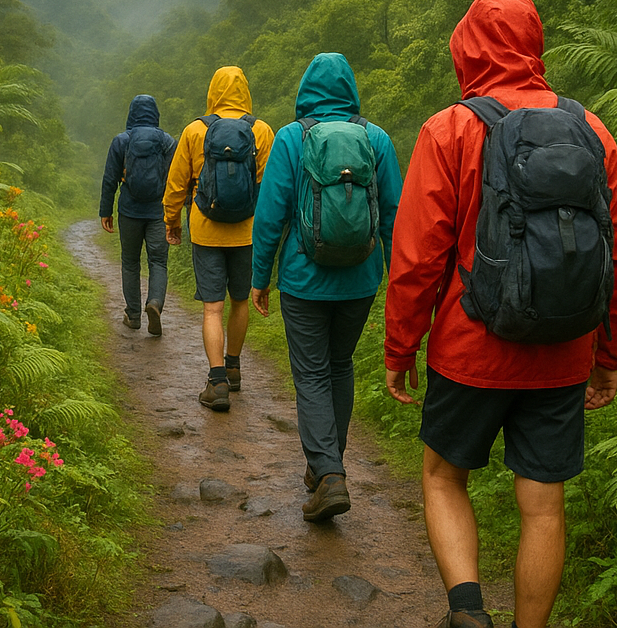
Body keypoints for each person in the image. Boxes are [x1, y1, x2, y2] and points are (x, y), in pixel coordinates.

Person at [384, 0, 617, 628]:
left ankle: (468, 610)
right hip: (562, 353)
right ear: (535, 43)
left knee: (444, 477)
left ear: (466, 46)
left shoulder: (451, 128)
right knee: (544, 505)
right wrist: (609, 354)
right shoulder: (592, 128)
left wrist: (401, 347)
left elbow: (418, 257)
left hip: (470, 349)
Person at [251, 53, 403, 522]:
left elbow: (271, 214)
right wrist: (398, 277)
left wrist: (260, 278)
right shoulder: (375, 137)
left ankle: (328, 473)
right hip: (360, 280)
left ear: (305, 90)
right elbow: (396, 214)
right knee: (339, 367)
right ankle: (326, 468)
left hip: (302, 280)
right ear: (351, 88)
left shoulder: (291, 138)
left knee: (312, 374)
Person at [163, 66, 274, 411]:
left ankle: (216, 381)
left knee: (212, 307)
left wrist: (172, 220)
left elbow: (178, 181)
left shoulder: (195, 130)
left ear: (213, 90)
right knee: (240, 301)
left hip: (206, 229)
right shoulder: (263, 131)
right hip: (247, 230)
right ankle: (234, 367)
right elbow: (271, 188)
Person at [100, 94, 176, 336]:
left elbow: (110, 178)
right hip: (158, 212)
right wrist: (178, 213)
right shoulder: (167, 142)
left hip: (129, 211)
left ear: (131, 114)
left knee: (131, 263)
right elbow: (176, 180)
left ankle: (133, 316)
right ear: (155, 114)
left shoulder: (122, 141)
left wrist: (105, 210)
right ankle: (154, 303)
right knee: (158, 262)